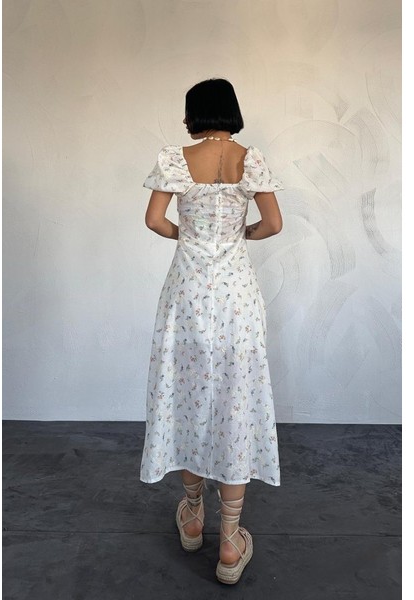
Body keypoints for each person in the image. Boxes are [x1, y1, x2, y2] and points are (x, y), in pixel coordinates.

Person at [140, 78, 284, 585]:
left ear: (194, 115)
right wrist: (239, 234)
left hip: (187, 294)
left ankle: (193, 514)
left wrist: (191, 235)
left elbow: (154, 220)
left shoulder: (175, 158)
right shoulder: (251, 158)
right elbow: (273, 224)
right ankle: (230, 540)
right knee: (235, 401)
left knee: (188, 395)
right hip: (236, 296)